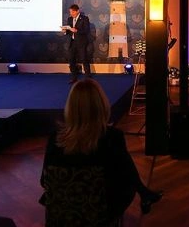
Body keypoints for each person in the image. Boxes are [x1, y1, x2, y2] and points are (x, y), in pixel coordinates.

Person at [43, 79, 162, 216]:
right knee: (125, 173)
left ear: (70, 106)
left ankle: (144, 192)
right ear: (101, 104)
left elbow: (44, 180)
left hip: (63, 211)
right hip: (102, 211)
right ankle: (143, 192)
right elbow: (122, 176)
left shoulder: (55, 138)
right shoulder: (112, 137)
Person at [64, 3, 92, 82]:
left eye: (72, 12)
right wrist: (65, 31)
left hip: (81, 42)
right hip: (72, 42)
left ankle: (88, 78)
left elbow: (86, 30)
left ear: (77, 11)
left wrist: (76, 30)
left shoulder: (84, 18)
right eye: (70, 12)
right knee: (71, 60)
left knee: (84, 59)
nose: (71, 13)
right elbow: (69, 30)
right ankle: (74, 77)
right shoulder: (69, 19)